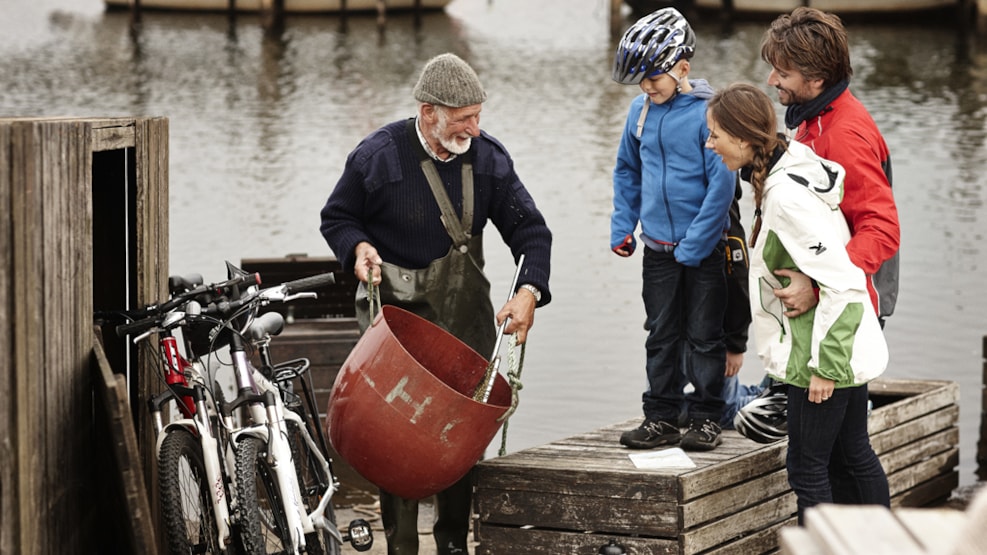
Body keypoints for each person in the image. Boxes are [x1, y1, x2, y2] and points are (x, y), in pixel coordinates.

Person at [319, 52, 552, 555]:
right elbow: (337, 219)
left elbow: (532, 232)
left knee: (460, 438)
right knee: (395, 438)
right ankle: (401, 546)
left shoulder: (488, 159)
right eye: (463, 116)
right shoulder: (377, 156)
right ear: (429, 112)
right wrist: (357, 248)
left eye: (478, 115)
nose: (474, 126)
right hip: (395, 326)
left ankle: (452, 544)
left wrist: (529, 291)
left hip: (465, 316)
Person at [706, 82, 890, 525]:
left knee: (808, 467)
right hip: (836, 344)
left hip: (826, 353)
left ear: (745, 139)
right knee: (851, 452)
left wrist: (825, 366)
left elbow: (844, 283)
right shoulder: (786, 166)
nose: (709, 144)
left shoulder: (787, 197)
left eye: (715, 135)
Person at [610, 8, 735, 451]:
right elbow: (627, 170)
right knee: (660, 333)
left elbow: (722, 185)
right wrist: (623, 225)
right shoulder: (639, 112)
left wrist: (696, 244)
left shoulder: (708, 113)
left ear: (682, 67)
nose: (647, 87)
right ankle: (660, 416)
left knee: (703, 336)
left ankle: (705, 417)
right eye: (641, 80)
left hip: (702, 250)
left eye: (653, 78)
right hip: (657, 249)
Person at [760, 7, 900, 327]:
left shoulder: (841, 137)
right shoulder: (815, 115)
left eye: (782, 73)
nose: (771, 80)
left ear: (817, 79)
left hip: (848, 308)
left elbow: (881, 230)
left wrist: (817, 286)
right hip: (828, 299)